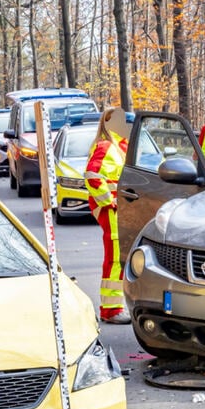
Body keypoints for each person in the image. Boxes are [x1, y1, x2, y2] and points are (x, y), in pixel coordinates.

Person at [84, 107, 131, 324]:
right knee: (114, 261)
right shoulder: (106, 146)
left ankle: (113, 307)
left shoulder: (120, 145)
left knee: (118, 260)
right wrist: (109, 201)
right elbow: (92, 175)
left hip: (119, 211)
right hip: (113, 213)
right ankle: (111, 310)